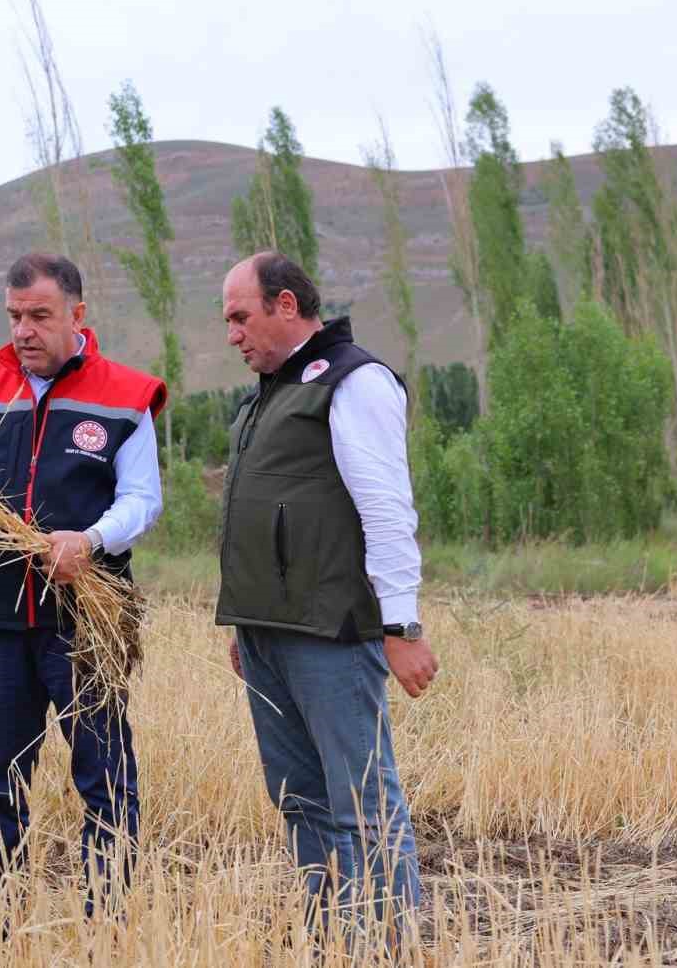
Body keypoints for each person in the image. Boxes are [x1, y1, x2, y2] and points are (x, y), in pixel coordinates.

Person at [216, 252, 439, 937]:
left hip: (332, 631)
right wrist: (243, 625)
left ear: (287, 306)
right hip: (267, 632)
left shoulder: (355, 380)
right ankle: (332, 938)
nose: (232, 334)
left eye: (240, 316)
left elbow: (386, 509)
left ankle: (389, 945)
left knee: (364, 801)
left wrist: (400, 625)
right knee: (299, 799)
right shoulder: (268, 390)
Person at [0, 253, 165, 909]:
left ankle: (109, 921)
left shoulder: (124, 395)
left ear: (77, 315)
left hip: (87, 618)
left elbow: (142, 500)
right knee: (0, 772)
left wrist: (89, 541)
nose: (23, 330)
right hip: (2, 619)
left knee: (103, 770)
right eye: (14, 316)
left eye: (39, 315)